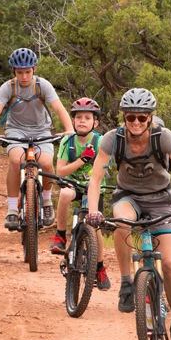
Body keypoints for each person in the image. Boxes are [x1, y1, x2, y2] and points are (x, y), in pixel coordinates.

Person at [84, 88, 171, 340]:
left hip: (162, 199)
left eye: (141, 117)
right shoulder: (111, 139)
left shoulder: (164, 137)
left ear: (150, 118)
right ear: (123, 117)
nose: (136, 122)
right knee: (121, 222)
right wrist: (93, 211)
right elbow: (95, 179)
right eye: (130, 117)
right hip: (129, 197)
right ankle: (127, 283)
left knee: (170, 264)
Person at [0, 48, 74, 232]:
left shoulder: (43, 85)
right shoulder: (8, 87)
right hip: (16, 131)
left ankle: (46, 200)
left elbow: (59, 108)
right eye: (19, 72)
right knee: (16, 161)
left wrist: (69, 129)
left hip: (42, 131)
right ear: (14, 72)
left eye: (28, 72)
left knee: (47, 163)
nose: (24, 76)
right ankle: (12, 209)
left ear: (34, 69)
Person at [50, 97, 112, 290]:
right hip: (72, 184)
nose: (82, 121)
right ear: (73, 121)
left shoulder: (101, 141)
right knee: (65, 194)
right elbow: (60, 171)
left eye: (87, 117)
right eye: (78, 117)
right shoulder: (67, 141)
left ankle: (100, 268)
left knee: (96, 226)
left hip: (94, 187)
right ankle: (60, 236)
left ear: (95, 122)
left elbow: (104, 167)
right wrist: (82, 160)